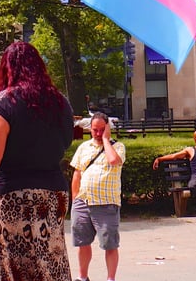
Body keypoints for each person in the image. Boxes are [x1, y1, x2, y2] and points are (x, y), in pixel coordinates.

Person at [0, 41, 74, 281]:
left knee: (18, 267)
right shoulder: (60, 102)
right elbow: (65, 143)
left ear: (6, 68)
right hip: (53, 192)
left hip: (13, 195)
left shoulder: (1, 103)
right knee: (53, 262)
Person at [70, 112, 125, 281]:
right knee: (82, 243)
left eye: (102, 130)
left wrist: (107, 140)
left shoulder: (118, 147)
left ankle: (110, 278)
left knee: (110, 244)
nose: (98, 134)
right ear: (90, 129)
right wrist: (75, 199)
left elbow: (113, 161)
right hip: (83, 201)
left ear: (108, 128)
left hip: (106, 203)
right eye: (95, 130)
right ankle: (83, 276)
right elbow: (77, 174)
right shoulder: (83, 148)